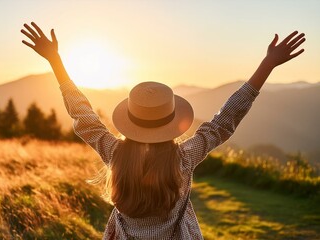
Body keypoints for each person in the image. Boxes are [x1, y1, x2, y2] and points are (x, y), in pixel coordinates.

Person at [21, 22, 305, 239]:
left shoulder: (115, 154)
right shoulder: (184, 158)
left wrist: (55, 62)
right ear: (171, 122)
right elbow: (225, 120)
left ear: (129, 120)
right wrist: (267, 64)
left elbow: (83, 115)